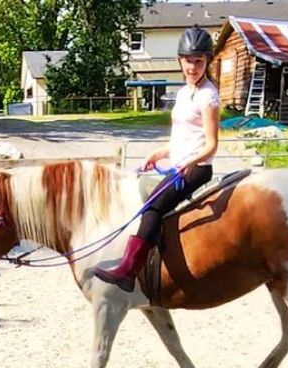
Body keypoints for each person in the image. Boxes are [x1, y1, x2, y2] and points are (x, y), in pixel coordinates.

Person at [95, 25, 221, 292]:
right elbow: (182, 139)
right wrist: (159, 153)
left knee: (151, 208)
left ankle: (128, 272)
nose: (192, 67)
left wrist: (189, 162)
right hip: (179, 164)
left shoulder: (208, 95)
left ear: (207, 61)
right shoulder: (185, 92)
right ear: (180, 61)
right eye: (188, 61)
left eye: (198, 61)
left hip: (195, 168)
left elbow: (211, 145)